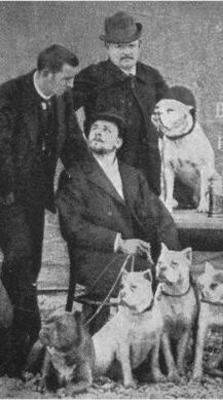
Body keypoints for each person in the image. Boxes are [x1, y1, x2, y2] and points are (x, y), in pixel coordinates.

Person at [0, 44, 88, 376]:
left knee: (29, 268)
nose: (71, 86)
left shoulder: (62, 98)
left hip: (34, 199)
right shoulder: (9, 95)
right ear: (46, 74)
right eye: (66, 78)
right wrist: (8, 194)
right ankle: (21, 349)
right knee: (20, 262)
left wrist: (95, 182)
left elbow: (74, 145)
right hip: (5, 196)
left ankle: (18, 355)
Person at [56, 111, 180, 305]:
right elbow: (73, 227)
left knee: (171, 273)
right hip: (96, 259)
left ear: (118, 143)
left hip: (134, 255)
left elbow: (160, 217)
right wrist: (119, 243)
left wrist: (173, 256)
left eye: (106, 130)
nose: (98, 133)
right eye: (94, 129)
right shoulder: (74, 175)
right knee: (149, 275)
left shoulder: (133, 176)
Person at [73, 11, 169, 196]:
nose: (127, 52)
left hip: (148, 175)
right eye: (119, 46)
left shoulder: (151, 77)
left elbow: (172, 114)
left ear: (140, 45)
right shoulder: (92, 76)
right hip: (109, 172)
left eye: (132, 46)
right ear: (107, 47)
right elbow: (63, 114)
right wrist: (81, 147)